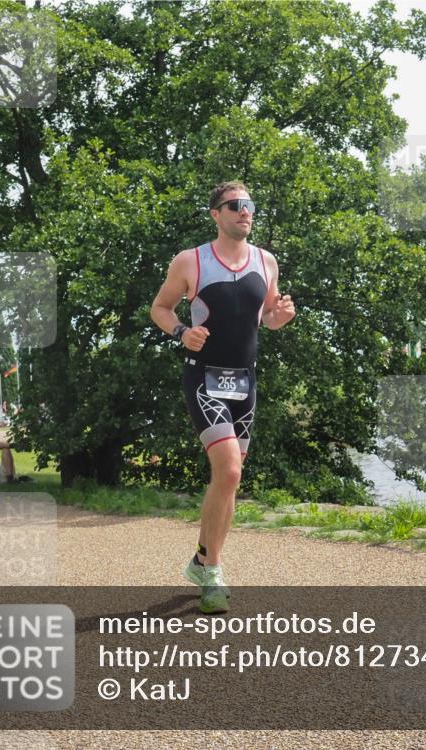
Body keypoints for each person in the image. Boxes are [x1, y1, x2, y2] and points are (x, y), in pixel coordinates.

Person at [150, 181, 296, 614]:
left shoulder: (266, 262)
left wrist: (281, 317)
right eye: (235, 205)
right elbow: (160, 308)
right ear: (216, 213)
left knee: (230, 479)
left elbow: (268, 317)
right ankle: (212, 572)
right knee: (229, 469)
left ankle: (201, 560)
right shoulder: (190, 261)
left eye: (249, 205)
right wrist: (181, 332)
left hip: (245, 384)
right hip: (204, 377)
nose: (244, 212)